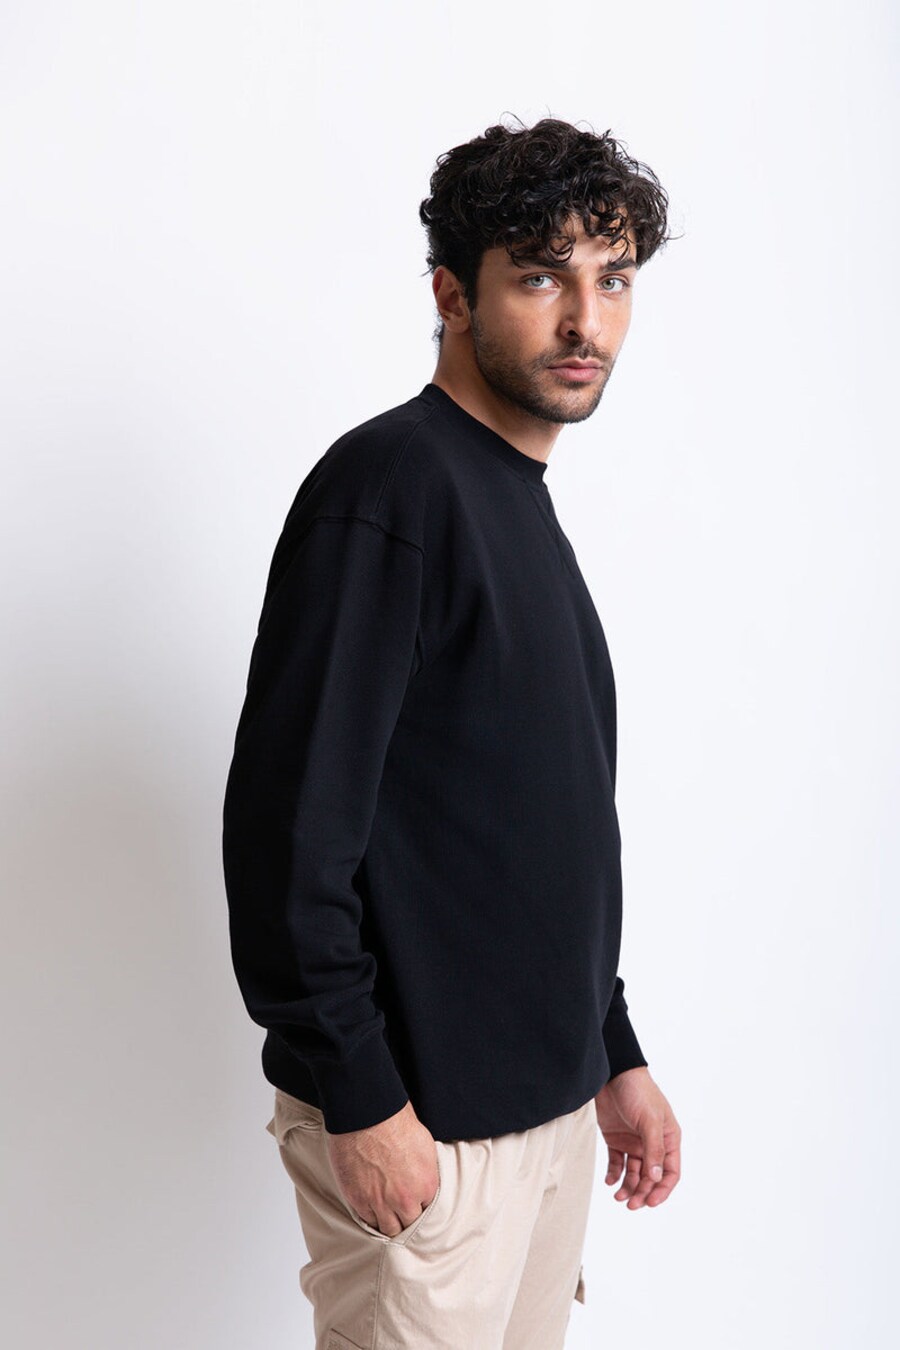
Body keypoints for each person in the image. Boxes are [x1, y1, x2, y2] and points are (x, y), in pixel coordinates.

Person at [222, 114, 682, 1350]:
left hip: (546, 1125)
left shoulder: (516, 506)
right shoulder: (391, 491)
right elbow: (286, 836)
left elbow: (534, 827)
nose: (585, 320)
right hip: (427, 1136)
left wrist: (612, 1051)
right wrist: (361, 1096)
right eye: (540, 277)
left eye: (613, 279)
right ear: (452, 294)